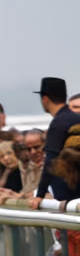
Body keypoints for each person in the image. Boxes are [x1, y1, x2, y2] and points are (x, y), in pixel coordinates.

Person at [30, 78, 80, 209]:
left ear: (45, 99)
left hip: (68, 194)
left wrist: (40, 194)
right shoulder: (76, 118)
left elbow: (50, 159)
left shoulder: (58, 123)